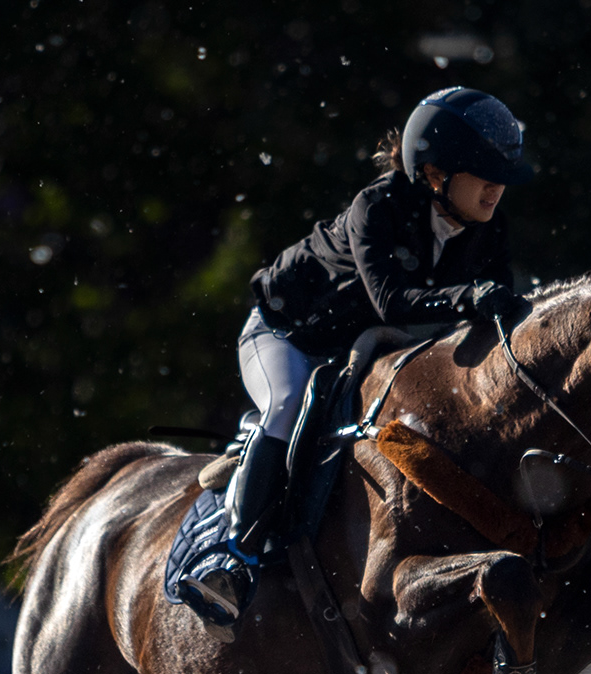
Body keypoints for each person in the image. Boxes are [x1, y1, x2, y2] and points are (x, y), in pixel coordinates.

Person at [181, 86, 534, 629]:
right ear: (434, 174)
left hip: (362, 351)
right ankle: (232, 558)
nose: (497, 188)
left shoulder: (490, 229)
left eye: (501, 176)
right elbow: (392, 301)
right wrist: (469, 297)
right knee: (288, 403)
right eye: (483, 174)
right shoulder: (378, 208)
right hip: (287, 336)